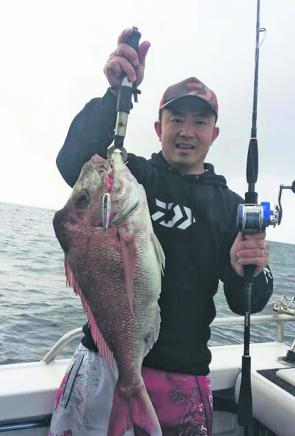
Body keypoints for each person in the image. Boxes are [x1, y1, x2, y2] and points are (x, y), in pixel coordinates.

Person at [49, 28, 273, 436]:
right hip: (104, 360)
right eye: (176, 119)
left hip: (181, 374)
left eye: (199, 122)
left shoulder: (231, 207)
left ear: (214, 134)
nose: (186, 131)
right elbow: (72, 163)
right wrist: (114, 93)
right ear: (158, 127)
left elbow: (247, 302)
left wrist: (250, 271)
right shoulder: (132, 177)